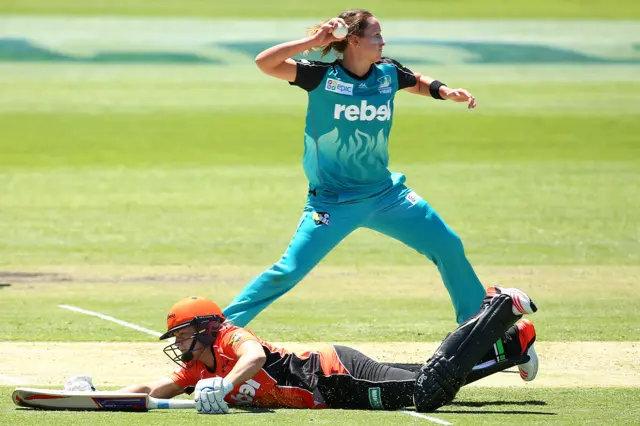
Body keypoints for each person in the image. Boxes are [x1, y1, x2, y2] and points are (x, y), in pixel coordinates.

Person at [223, 9, 487, 330]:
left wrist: (445, 91)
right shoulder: (322, 77)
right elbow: (265, 63)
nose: (383, 41)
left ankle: (477, 330)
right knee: (288, 271)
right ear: (353, 40)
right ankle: (216, 333)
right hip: (333, 202)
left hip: (386, 195)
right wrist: (313, 41)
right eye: (376, 35)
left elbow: (415, 81)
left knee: (448, 245)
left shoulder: (387, 72)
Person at [66, 287, 537, 414]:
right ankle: (513, 344)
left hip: (335, 374)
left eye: (184, 336)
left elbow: (252, 360)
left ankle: (498, 307)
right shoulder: (198, 367)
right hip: (334, 389)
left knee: (428, 391)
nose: (181, 347)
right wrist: (98, 396)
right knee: (427, 376)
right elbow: (153, 388)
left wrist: (223, 387)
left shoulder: (231, 338)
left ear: (207, 328)